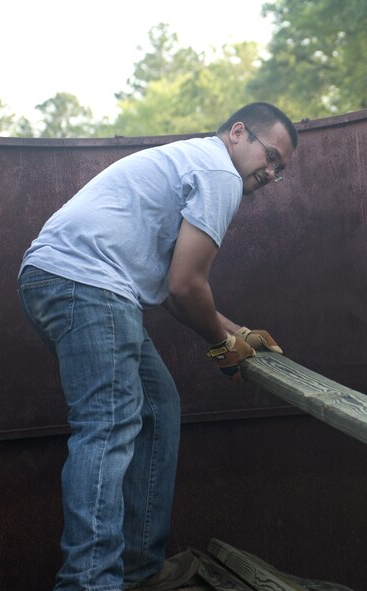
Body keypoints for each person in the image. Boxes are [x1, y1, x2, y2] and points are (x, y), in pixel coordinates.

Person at [17, 102, 298, 591]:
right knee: (108, 425)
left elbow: (172, 285)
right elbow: (187, 287)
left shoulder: (193, 163)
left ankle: (136, 568)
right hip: (88, 285)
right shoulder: (219, 173)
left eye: (280, 169)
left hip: (70, 282)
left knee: (157, 405)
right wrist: (222, 348)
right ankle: (90, 582)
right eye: (270, 156)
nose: (271, 173)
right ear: (237, 133)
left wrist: (236, 333)